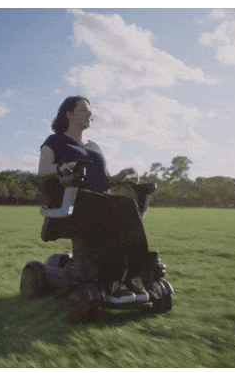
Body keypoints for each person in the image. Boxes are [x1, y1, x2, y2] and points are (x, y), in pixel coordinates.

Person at [38, 96, 151, 303]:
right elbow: (43, 170)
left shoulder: (94, 146)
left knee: (123, 207)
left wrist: (119, 176)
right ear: (69, 114)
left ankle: (134, 276)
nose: (90, 113)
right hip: (71, 200)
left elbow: (104, 180)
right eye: (83, 110)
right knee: (122, 206)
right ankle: (117, 281)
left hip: (98, 200)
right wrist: (61, 167)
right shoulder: (54, 141)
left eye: (90, 111)